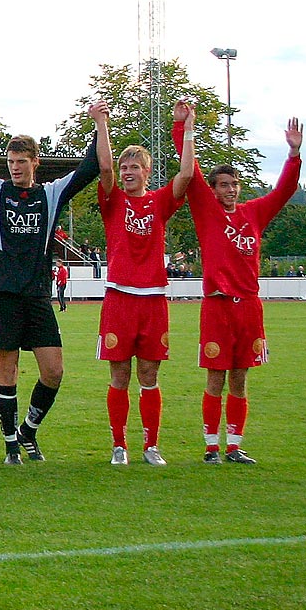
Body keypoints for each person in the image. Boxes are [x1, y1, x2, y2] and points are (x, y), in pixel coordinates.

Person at [0, 101, 101, 464]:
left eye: (21, 162)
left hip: (36, 296)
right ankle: (10, 447)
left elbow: (89, 168)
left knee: (54, 370)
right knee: (8, 370)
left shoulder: (49, 193)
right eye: (10, 162)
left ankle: (28, 430)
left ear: (35, 162)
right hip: (1, 295)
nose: (14, 168)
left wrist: (98, 125)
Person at [186, 115, 304, 465]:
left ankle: (234, 446)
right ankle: (211, 447)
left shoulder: (254, 213)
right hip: (217, 306)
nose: (231, 189)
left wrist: (294, 154)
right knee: (216, 377)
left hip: (249, 307)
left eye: (234, 184)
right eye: (223, 184)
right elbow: (189, 174)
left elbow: (285, 191)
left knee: (240, 378)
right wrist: (184, 129)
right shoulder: (206, 211)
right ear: (214, 189)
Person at [95, 100, 194, 467]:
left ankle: (151, 446)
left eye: (134, 166)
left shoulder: (158, 202)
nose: (127, 171)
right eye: (124, 167)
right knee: (119, 374)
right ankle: (119, 445)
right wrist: (101, 122)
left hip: (153, 299)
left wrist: (188, 128)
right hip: (120, 298)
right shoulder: (113, 201)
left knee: (149, 375)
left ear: (147, 172)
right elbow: (103, 167)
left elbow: (185, 176)